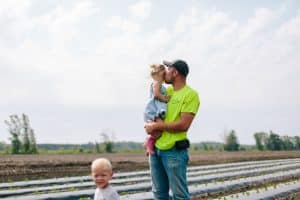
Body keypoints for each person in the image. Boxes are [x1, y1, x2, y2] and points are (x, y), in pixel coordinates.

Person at [144, 59, 200, 200]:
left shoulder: (190, 95)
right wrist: (149, 129)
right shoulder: (165, 91)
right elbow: (152, 110)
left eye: (167, 69)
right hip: (156, 151)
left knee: (179, 195)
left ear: (175, 73)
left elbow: (183, 125)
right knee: (159, 194)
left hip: (174, 152)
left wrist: (157, 126)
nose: (165, 72)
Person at [144, 64, 169, 155]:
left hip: (157, 110)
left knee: (159, 131)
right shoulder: (156, 83)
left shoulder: (159, 84)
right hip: (154, 110)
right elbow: (156, 94)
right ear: (160, 74)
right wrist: (165, 99)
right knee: (160, 130)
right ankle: (148, 143)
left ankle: (149, 143)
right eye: (164, 74)